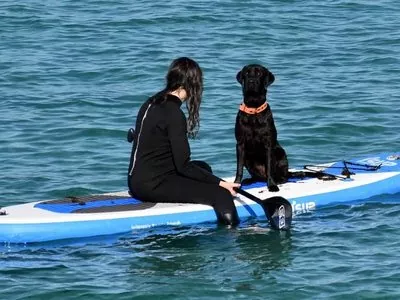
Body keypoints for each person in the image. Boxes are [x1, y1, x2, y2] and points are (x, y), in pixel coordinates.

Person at [127, 57, 240, 225]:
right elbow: (184, 166)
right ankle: (234, 239)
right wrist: (222, 184)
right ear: (191, 86)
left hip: (135, 180)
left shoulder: (151, 102)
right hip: (154, 185)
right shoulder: (174, 114)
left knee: (203, 168)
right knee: (220, 195)